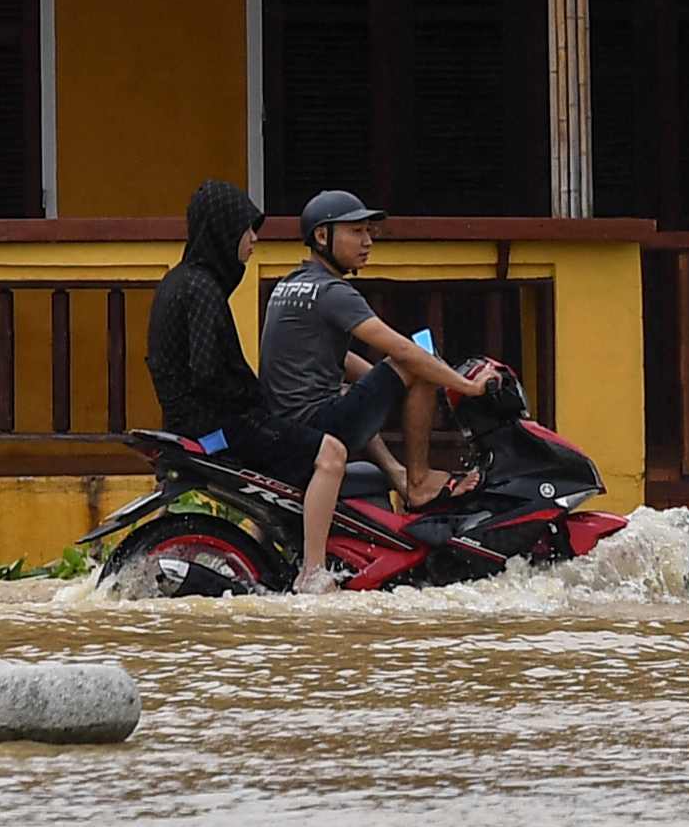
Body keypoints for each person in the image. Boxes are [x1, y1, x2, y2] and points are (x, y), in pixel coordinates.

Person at [255, 189, 498, 593]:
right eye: (356, 232)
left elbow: (336, 354)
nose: (368, 242)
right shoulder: (335, 293)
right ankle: (417, 483)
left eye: (370, 232)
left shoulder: (292, 285)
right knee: (420, 352)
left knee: (369, 382)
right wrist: (466, 386)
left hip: (288, 423)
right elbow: (401, 348)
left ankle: (398, 474)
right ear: (322, 237)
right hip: (316, 426)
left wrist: (379, 383)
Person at [142, 180, 267, 449]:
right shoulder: (202, 288)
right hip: (214, 433)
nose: (254, 237)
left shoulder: (177, 280)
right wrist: (254, 399)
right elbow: (208, 373)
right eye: (246, 228)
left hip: (184, 427)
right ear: (226, 231)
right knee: (321, 454)